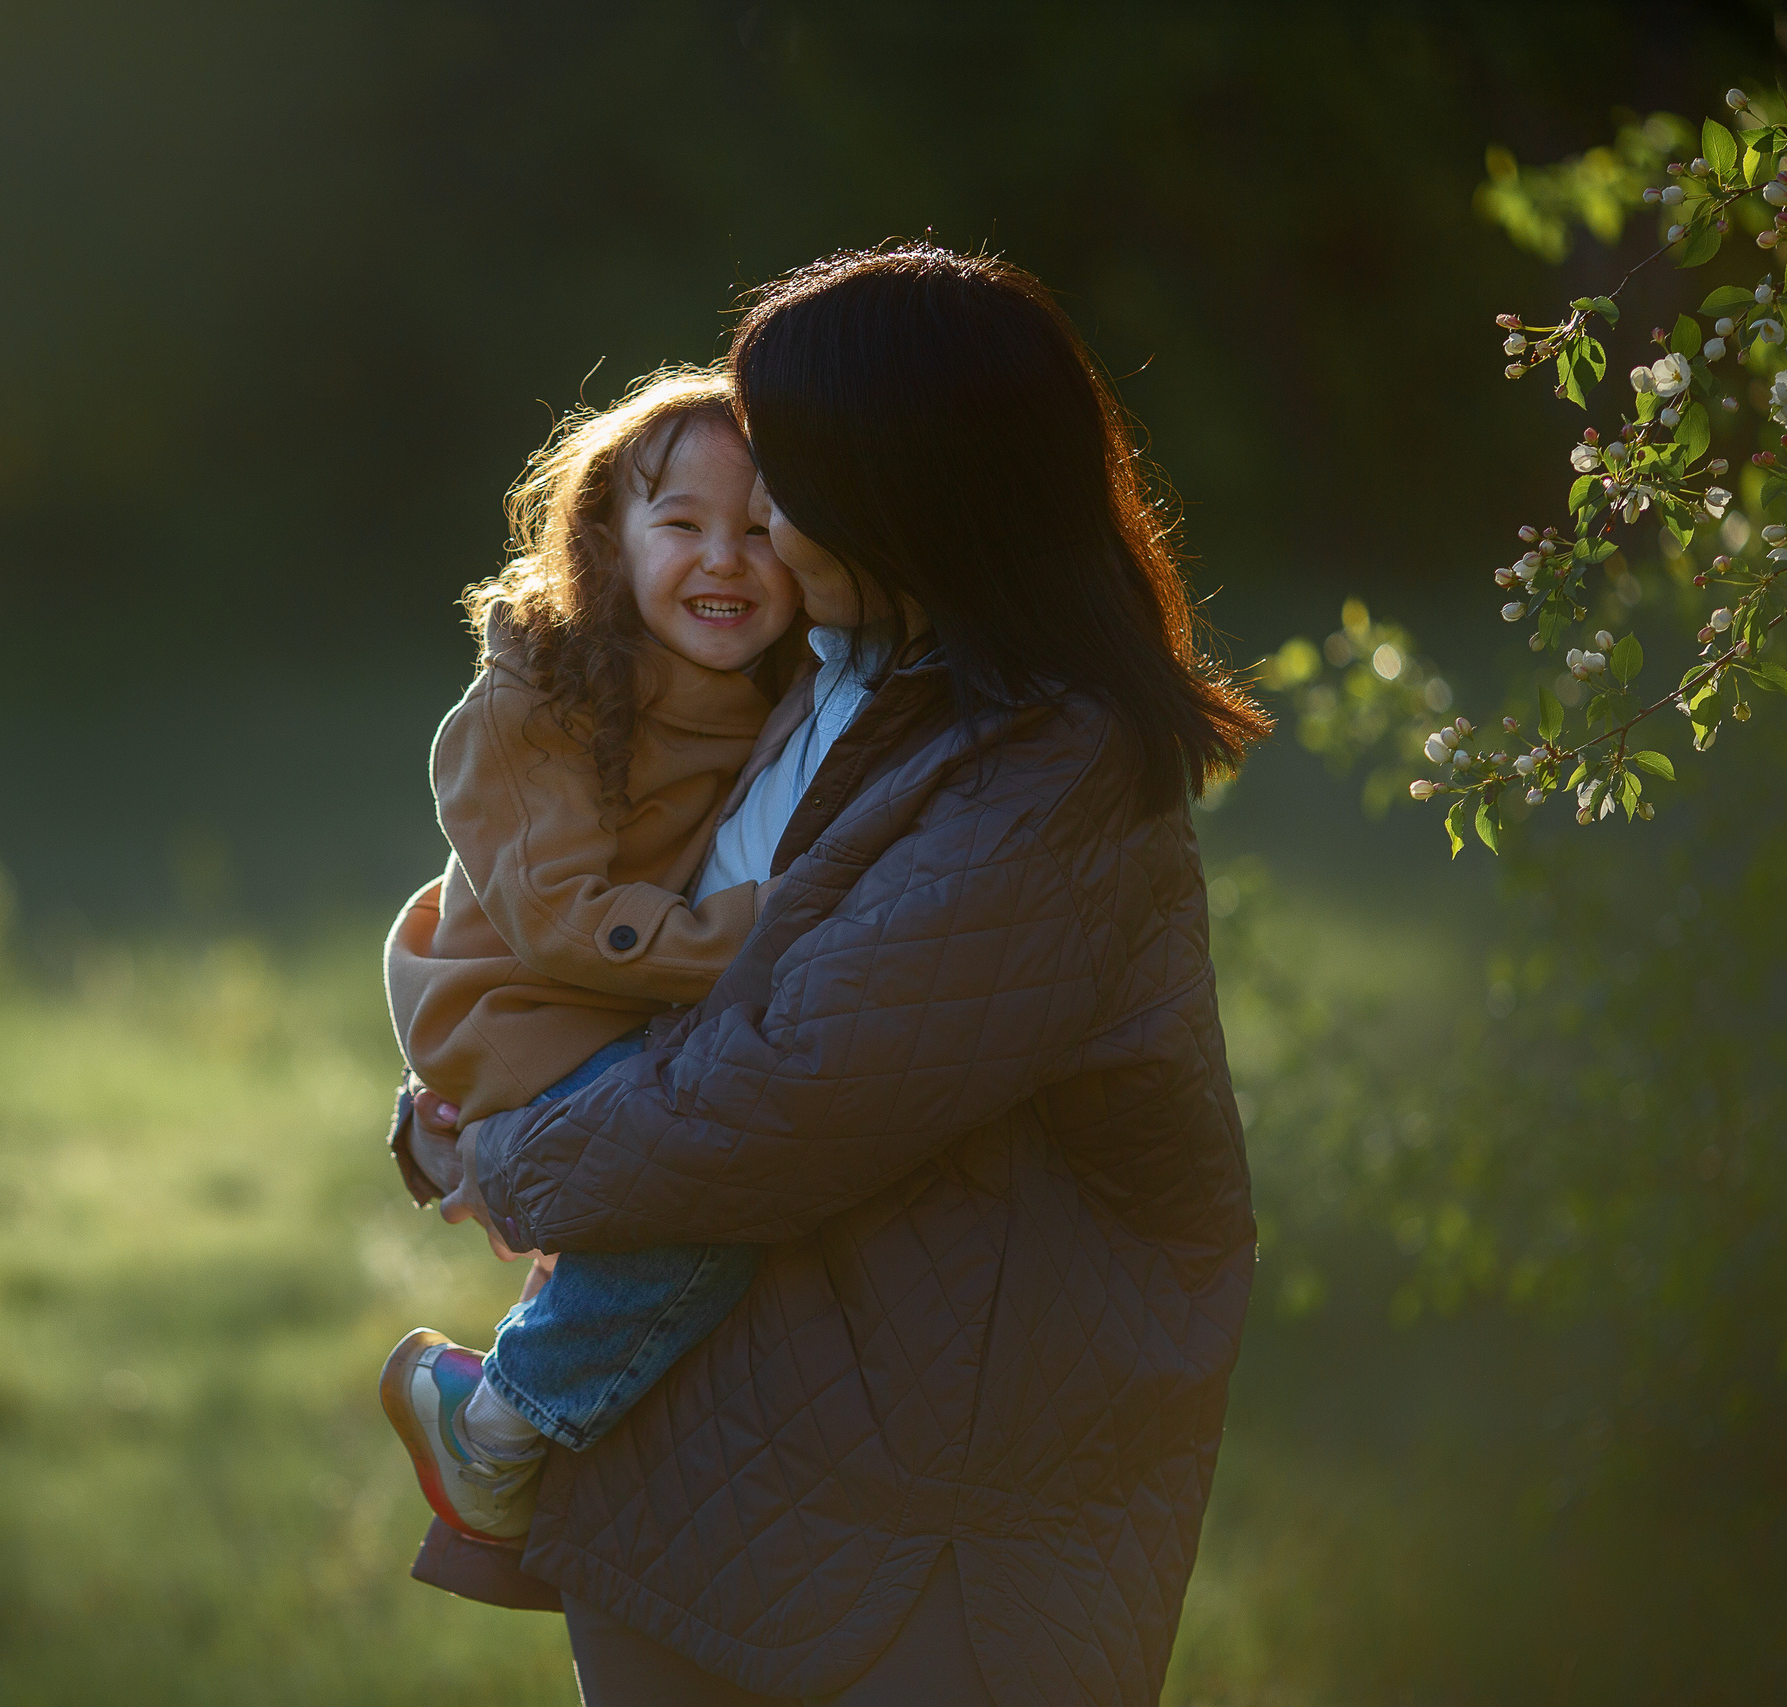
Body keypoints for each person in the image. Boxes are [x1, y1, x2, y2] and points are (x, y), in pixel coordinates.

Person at [406, 243, 1272, 1704]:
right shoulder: (826, 669)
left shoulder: (1047, 771)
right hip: (706, 1476)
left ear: (899, 496)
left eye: (784, 491)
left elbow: (781, 1094)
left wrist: (511, 1146)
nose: (755, 534)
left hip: (913, 1531)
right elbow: (625, 902)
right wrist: (463, 1075)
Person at [378, 366, 806, 1545]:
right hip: (515, 1011)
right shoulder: (548, 688)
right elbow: (566, 918)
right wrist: (772, 928)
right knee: (699, 1187)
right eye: (682, 526)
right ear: (607, 542)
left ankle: (550, 1360)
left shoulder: (782, 686)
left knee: (670, 1196)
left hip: (606, 1011)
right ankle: (494, 1417)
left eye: (761, 531)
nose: (725, 559)